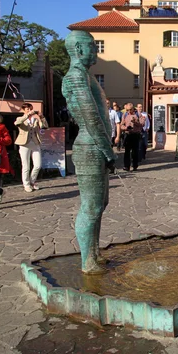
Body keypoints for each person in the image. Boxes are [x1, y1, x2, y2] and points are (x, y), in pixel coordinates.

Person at [62, 30, 116, 274]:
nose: (96, 50)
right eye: (93, 46)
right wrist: (108, 150)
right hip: (89, 147)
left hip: (96, 146)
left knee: (101, 203)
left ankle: (94, 252)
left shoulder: (87, 76)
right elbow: (90, 117)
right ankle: (87, 261)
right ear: (79, 49)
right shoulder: (75, 77)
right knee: (91, 207)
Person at [14, 103, 48, 192]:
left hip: (35, 143)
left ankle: (32, 181)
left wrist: (41, 117)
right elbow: (17, 123)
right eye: (27, 109)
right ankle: (26, 184)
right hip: (24, 144)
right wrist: (27, 115)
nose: (29, 111)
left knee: (38, 165)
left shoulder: (35, 120)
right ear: (23, 110)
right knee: (26, 166)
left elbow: (44, 126)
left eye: (30, 109)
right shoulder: (21, 119)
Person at [120, 102, 145, 171]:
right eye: (127, 110)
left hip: (135, 134)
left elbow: (142, 124)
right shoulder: (125, 115)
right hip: (128, 134)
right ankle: (126, 166)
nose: (128, 111)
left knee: (135, 151)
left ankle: (134, 165)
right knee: (127, 151)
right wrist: (125, 128)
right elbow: (121, 125)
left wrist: (135, 122)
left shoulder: (138, 114)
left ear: (133, 109)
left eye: (130, 110)